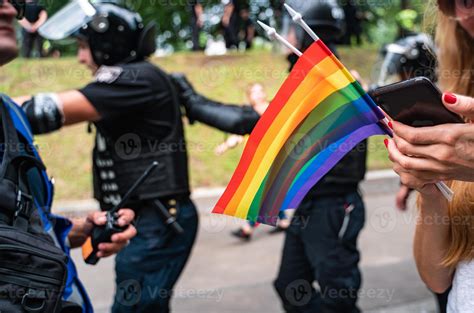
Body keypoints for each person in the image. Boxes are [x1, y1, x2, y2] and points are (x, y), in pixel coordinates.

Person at [0, 1, 136, 312]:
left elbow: (21, 224)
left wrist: (70, 230)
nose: (10, 9)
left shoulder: (10, 115)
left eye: (16, 0)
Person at [272, 1, 368, 312]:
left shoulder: (330, 78)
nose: (285, 38)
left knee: (337, 292)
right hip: (307, 200)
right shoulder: (306, 75)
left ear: (306, 33)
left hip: (333, 203)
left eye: (291, 31)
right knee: (289, 285)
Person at [385, 0, 474, 312]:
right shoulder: (459, 108)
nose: (466, 13)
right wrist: (430, 190)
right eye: (461, 1)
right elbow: (437, 278)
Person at [212, 83, 290, 240]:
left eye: (261, 90)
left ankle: (247, 228)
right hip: (259, 159)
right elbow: (238, 135)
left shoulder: (274, 109)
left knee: (261, 193)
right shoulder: (249, 115)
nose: (259, 94)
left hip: (275, 157)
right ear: (249, 97)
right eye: (254, 92)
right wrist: (226, 145)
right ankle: (284, 221)